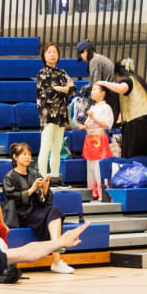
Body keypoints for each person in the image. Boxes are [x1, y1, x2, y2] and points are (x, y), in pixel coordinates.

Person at [3, 142, 73, 273]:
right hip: (22, 213)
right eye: (24, 154)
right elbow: (11, 197)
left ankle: (57, 260)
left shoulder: (34, 173)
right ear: (15, 157)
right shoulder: (9, 176)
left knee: (55, 210)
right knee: (50, 215)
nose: (28, 157)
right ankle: (57, 261)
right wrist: (31, 190)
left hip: (37, 210)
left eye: (29, 154)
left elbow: (45, 199)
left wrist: (45, 189)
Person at [95, 59, 147, 158]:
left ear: (117, 74)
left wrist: (104, 83)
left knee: (133, 155)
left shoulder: (127, 80)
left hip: (138, 123)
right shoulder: (138, 80)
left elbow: (121, 89)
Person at [36, 43, 76, 181]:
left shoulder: (62, 73)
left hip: (61, 113)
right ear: (44, 56)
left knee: (57, 147)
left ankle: (54, 175)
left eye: (54, 52)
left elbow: (73, 90)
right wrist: (64, 88)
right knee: (45, 146)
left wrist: (62, 88)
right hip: (48, 114)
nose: (52, 54)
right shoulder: (42, 73)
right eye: (49, 52)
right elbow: (47, 92)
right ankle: (42, 176)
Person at [76, 83, 113, 201]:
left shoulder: (106, 107)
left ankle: (103, 192)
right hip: (90, 138)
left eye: (95, 89)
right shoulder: (93, 107)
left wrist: (93, 118)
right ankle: (93, 192)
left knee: (98, 166)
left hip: (99, 138)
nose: (92, 92)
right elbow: (89, 124)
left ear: (103, 93)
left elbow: (107, 124)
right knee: (90, 166)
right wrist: (82, 126)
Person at [76, 39, 118, 124]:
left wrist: (85, 90)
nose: (83, 60)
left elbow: (96, 83)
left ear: (85, 51)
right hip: (113, 96)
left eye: (81, 56)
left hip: (109, 98)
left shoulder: (94, 61)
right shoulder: (101, 58)